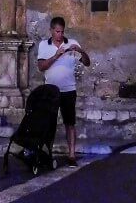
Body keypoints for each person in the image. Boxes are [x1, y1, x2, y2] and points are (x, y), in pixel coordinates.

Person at [36, 16, 91, 166]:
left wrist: (81, 51)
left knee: (70, 123)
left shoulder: (72, 43)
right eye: (57, 31)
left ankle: (71, 155)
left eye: (62, 32)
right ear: (51, 30)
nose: (60, 35)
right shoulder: (44, 45)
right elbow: (41, 67)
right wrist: (56, 55)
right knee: (49, 124)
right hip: (51, 91)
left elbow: (87, 63)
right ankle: (47, 153)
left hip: (69, 90)